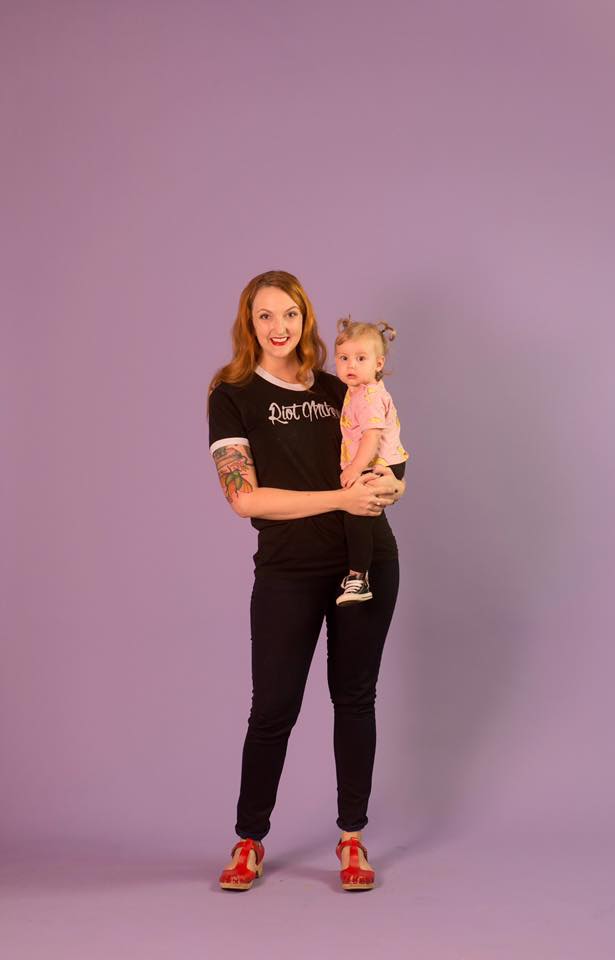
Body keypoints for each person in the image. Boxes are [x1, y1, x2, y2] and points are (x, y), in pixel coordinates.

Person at [207, 270, 406, 892]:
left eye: (289, 314)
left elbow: (385, 457)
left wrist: (394, 486)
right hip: (288, 570)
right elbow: (244, 499)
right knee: (273, 708)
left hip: (365, 559)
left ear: (306, 319)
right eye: (265, 315)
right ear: (249, 323)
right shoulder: (233, 393)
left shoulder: (339, 384)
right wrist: (339, 499)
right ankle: (249, 840)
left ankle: (352, 838)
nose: (279, 327)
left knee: (355, 699)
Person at [334, 316, 409, 606]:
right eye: (343, 358)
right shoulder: (357, 391)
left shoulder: (368, 397)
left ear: (378, 363)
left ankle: (358, 578)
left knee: (358, 516)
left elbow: (371, 436)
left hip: (380, 463)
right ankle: (359, 575)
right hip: (381, 462)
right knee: (360, 516)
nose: (350, 365)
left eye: (360, 358)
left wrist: (353, 468)